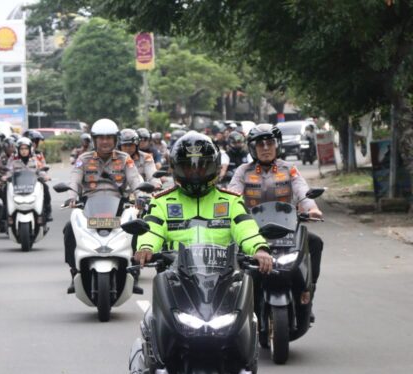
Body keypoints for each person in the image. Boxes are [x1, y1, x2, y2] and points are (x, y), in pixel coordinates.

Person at [134, 131, 273, 275]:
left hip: (223, 278)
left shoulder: (230, 201)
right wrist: (146, 247)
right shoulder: (162, 202)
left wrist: (259, 249)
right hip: (175, 277)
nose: (195, 173)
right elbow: (152, 229)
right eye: (188, 168)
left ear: (215, 166)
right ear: (176, 168)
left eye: (202, 167)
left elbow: (246, 228)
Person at [228, 123, 323, 304]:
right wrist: (229, 210)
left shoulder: (289, 169)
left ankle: (308, 289)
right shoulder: (243, 171)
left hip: (286, 229)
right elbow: (233, 194)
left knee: (315, 243)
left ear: (277, 145)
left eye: (270, 143)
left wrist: (312, 208)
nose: (265, 148)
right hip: (253, 231)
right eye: (260, 144)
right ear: (252, 148)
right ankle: (235, 298)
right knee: (231, 250)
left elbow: (302, 189)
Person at [64, 118, 143, 293]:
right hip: (89, 206)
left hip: (119, 205)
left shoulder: (125, 159)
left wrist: (141, 196)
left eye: (109, 137)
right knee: (69, 229)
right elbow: (74, 180)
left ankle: (134, 272)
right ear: (94, 139)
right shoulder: (83, 159)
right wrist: (71, 197)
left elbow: (135, 180)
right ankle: (74, 271)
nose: (105, 141)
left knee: (137, 226)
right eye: (101, 138)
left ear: (115, 140)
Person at [3, 136, 53, 222]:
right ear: (18, 150)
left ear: (30, 149)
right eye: (21, 149)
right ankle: (5, 214)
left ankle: (47, 211)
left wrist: (45, 177)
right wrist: (5, 177)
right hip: (17, 186)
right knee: (5, 189)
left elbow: (41, 170)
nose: (23, 151)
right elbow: (9, 171)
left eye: (26, 148)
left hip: (32, 186)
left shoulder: (35, 161)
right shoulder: (13, 161)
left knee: (45, 187)